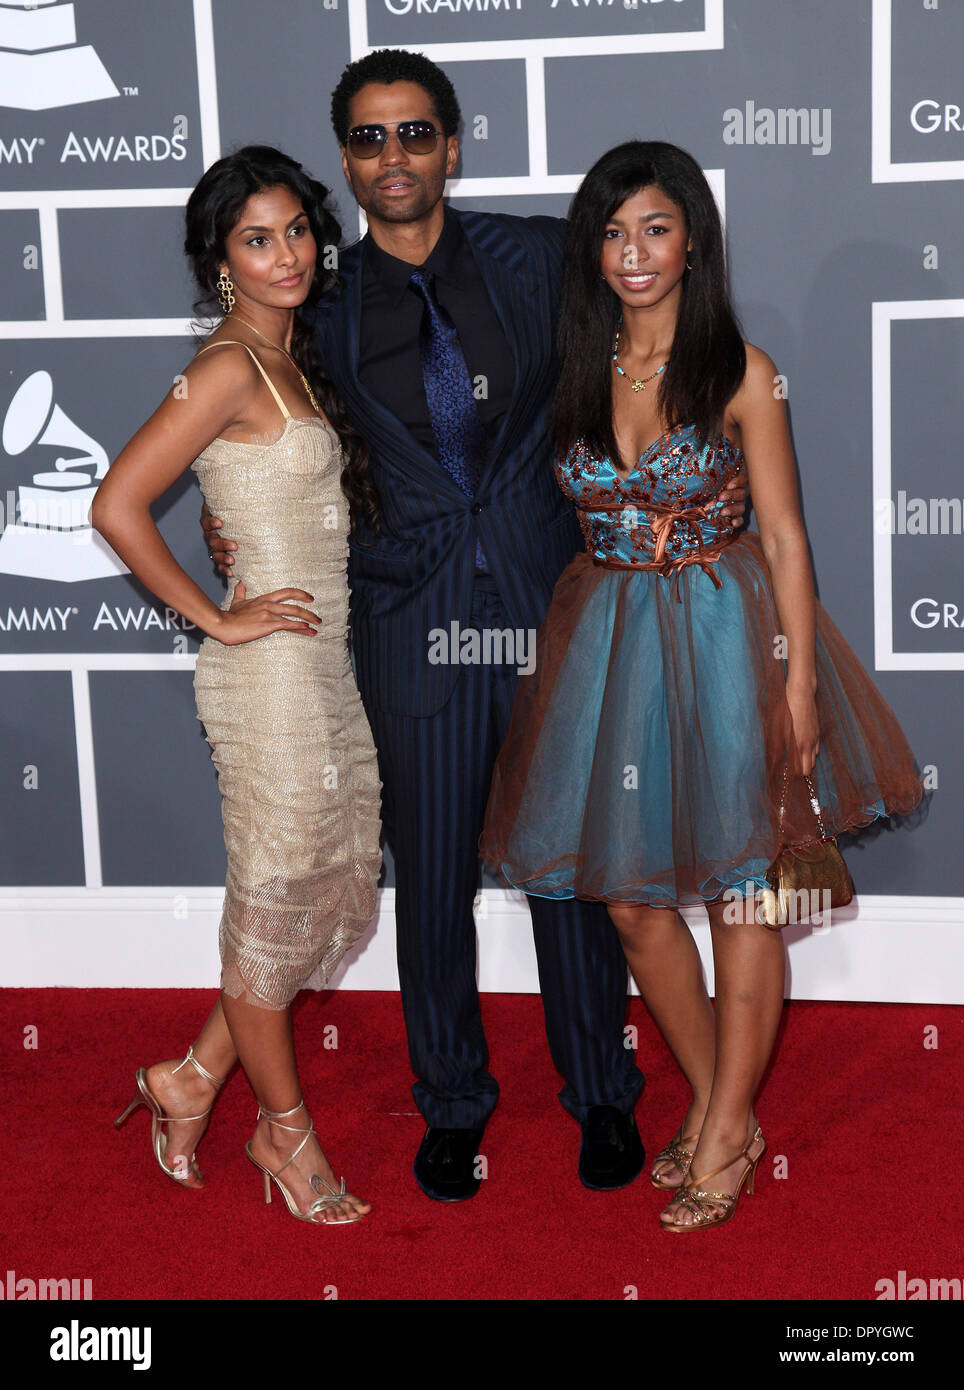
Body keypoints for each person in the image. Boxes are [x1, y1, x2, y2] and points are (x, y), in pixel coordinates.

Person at [204, 51, 749, 1201]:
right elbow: (247, 412)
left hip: (559, 606)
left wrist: (719, 493)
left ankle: (603, 1092)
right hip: (410, 616)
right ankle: (452, 1103)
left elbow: (658, 352)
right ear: (344, 159)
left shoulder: (543, 255)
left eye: (414, 135)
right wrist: (230, 536)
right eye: (367, 138)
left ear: (453, 145)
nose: (391, 157)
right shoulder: (318, 295)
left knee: (569, 868)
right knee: (436, 876)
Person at [479, 140, 923, 1231]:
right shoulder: (576, 368)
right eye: (613, 232)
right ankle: (722, 1101)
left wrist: (801, 690)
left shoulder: (739, 369)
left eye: (656, 229)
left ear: (693, 242)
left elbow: (782, 531)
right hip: (611, 639)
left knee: (743, 888)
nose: (633, 253)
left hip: (733, 634)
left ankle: (725, 1125)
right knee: (632, 903)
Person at [95, 145, 382, 1225]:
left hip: (322, 665)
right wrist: (217, 612)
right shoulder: (224, 364)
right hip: (267, 682)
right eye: (256, 240)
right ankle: (287, 1136)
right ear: (221, 260)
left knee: (318, 891)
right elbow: (117, 503)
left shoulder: (287, 355)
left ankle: (190, 1078)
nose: (288, 254)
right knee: (274, 907)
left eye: (298, 229)